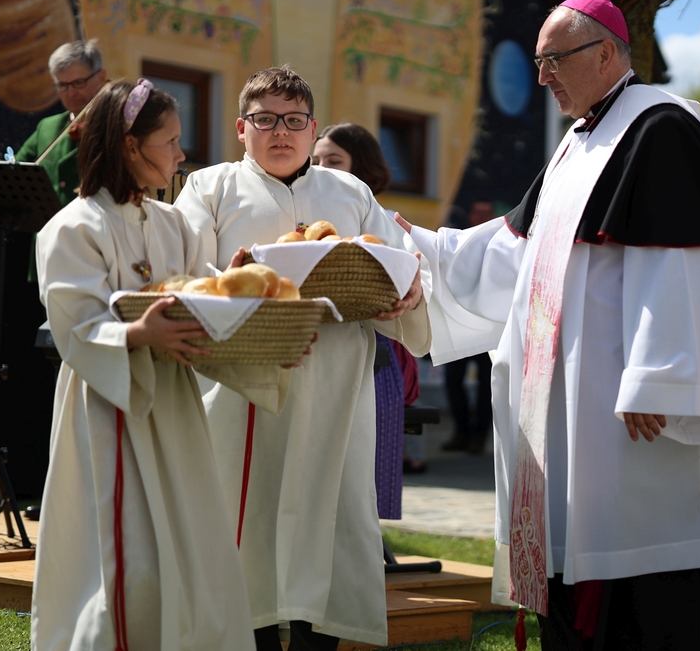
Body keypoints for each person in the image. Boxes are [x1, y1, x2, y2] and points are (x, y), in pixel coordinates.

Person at [397, 0, 700, 649]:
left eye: (554, 60)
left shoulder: (661, 126)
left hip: (630, 420)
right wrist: (425, 254)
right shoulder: (576, 143)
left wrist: (660, 374)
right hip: (570, 420)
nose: (542, 77)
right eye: (538, 62)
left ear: (605, 54)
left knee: (650, 603)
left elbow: (682, 259)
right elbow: (519, 250)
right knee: (575, 574)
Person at [32, 79, 293, 651]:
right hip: (112, 404)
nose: (180, 154)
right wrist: (136, 332)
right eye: (170, 141)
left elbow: (198, 292)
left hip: (172, 403)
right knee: (128, 557)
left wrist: (236, 291)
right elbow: (74, 325)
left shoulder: (172, 222)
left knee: (191, 544)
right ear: (130, 146)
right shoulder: (72, 228)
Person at [175, 67, 429, 650]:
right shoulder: (209, 188)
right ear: (241, 128)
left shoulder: (350, 193)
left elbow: (397, 269)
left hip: (334, 384)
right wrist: (230, 281)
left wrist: (408, 292)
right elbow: (186, 274)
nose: (280, 132)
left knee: (331, 517)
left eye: (293, 120)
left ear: (313, 129)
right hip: (246, 385)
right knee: (247, 520)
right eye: (265, 120)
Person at [313, 120, 421, 510]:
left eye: (334, 161)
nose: (321, 169)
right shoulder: (307, 219)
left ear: (362, 167)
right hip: (317, 346)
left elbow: (407, 283)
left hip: (374, 349)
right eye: (316, 160)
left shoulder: (382, 221)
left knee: (361, 472)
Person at [18, 39, 108, 206]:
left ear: (101, 77)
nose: (71, 93)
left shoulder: (114, 127)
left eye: (78, 83)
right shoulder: (47, 127)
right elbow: (15, 172)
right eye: (62, 85)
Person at [442, 201, 496, 454]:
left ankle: (479, 436)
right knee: (452, 381)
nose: (482, 217)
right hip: (460, 323)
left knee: (487, 385)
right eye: (478, 212)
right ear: (471, 215)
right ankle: (461, 432)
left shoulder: (500, 242)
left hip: (487, 325)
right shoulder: (458, 240)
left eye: (487, 213)